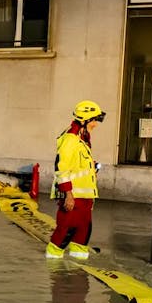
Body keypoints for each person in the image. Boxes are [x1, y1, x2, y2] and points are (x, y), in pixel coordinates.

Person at [46, 100, 105, 260]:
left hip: (85, 199)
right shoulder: (70, 140)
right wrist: (68, 194)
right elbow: (62, 168)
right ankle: (53, 264)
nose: (96, 124)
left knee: (84, 232)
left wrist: (92, 166)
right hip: (73, 197)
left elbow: (78, 165)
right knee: (66, 230)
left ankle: (79, 272)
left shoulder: (82, 139)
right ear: (85, 120)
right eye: (94, 120)